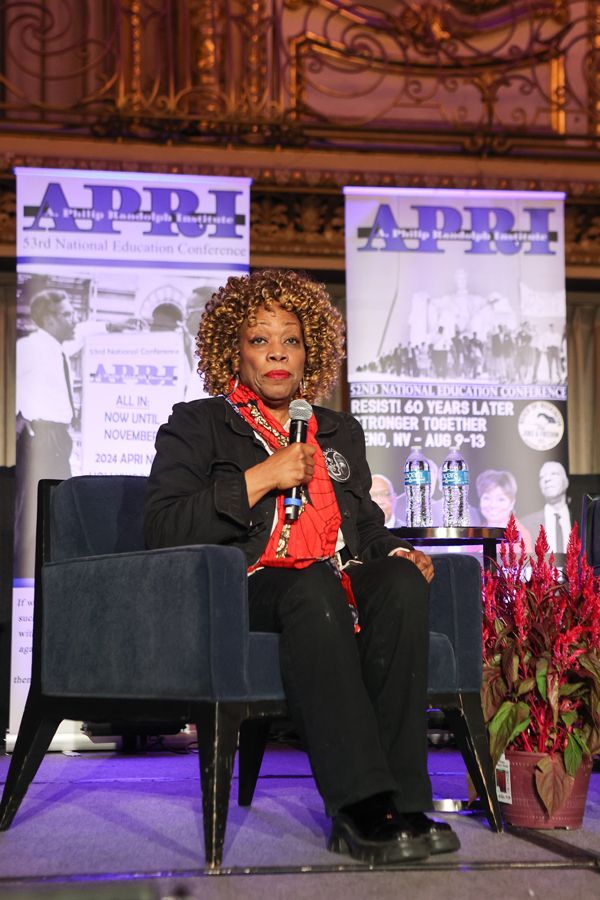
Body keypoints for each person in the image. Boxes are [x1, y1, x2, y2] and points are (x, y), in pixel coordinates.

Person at [144, 269, 460, 864]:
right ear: (231, 352)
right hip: (248, 583)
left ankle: (407, 803)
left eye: (290, 340)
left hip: (333, 569)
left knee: (397, 584)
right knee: (309, 584)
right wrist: (262, 478)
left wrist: (394, 549)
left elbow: (362, 525)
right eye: (259, 340)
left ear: (309, 351)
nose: (276, 354)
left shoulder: (338, 430)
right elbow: (163, 527)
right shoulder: (197, 424)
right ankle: (360, 805)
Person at [14, 289, 76, 577]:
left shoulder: (57, 346)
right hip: (41, 435)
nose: (73, 319)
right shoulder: (30, 347)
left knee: (54, 505)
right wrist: (23, 420)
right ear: (50, 319)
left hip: (57, 436)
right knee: (34, 508)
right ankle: (28, 571)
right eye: (66, 314)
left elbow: (85, 334)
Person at [476, 469, 532, 552]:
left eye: (500, 499)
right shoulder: (475, 533)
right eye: (487, 498)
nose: (493, 505)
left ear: (512, 503)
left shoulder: (521, 535)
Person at [521, 460, 571, 554]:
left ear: (566, 482)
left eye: (554, 474)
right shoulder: (526, 525)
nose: (547, 479)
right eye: (542, 477)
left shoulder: (583, 519)